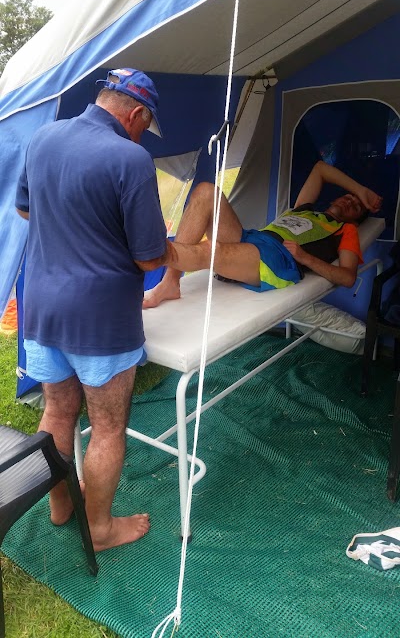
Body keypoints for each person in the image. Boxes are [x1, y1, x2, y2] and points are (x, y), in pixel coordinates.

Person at [15, 68, 170, 551]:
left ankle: (61, 506)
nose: (141, 135)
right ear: (136, 113)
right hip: (101, 318)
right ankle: (100, 529)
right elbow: (150, 257)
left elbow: (25, 209)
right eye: (144, 126)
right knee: (107, 426)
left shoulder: (44, 137)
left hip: (42, 306)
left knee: (58, 411)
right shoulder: (131, 157)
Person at [143, 160, 383, 308]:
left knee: (211, 250)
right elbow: (320, 169)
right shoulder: (305, 208)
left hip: (277, 259)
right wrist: (360, 190)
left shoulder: (346, 230)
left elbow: (347, 278)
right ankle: (170, 282)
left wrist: (305, 258)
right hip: (254, 239)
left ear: (356, 219)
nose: (350, 201)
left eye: (356, 206)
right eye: (349, 196)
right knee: (207, 192)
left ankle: (143, 251)